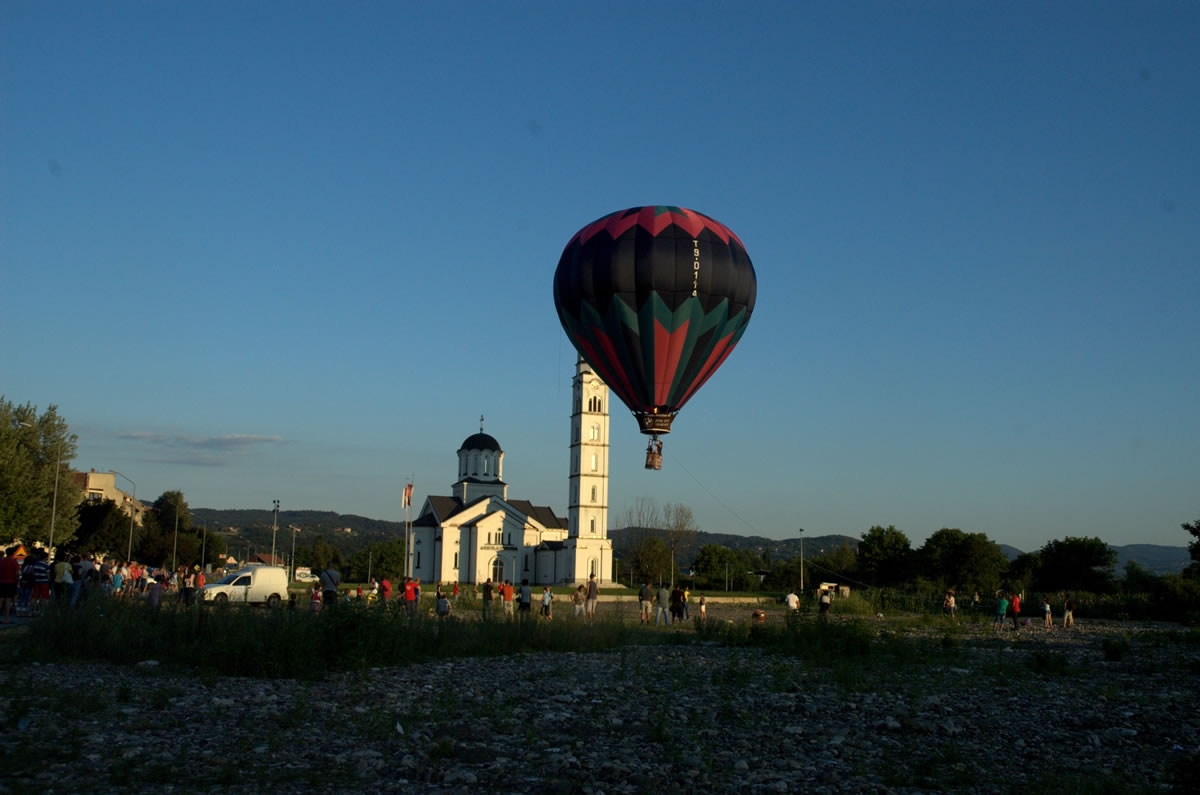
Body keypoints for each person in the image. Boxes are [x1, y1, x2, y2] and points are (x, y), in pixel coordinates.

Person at [0, 546, 21, 624]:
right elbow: (17, 574)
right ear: (13, 553)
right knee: (8, 600)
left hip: (1, 582)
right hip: (11, 582)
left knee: (1, 599)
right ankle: (6, 618)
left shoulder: (2, 561)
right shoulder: (14, 562)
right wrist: (17, 582)